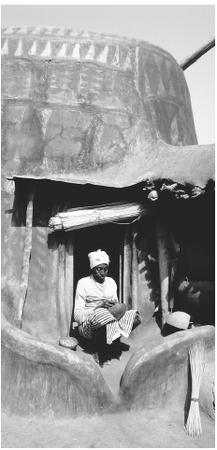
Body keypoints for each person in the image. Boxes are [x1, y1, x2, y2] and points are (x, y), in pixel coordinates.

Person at [74, 249, 141, 346]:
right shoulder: (83, 283)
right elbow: (77, 316)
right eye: (99, 269)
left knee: (135, 317)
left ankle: (111, 341)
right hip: (89, 325)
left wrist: (114, 305)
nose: (103, 273)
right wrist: (99, 308)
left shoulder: (111, 282)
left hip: (110, 318)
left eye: (105, 269)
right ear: (92, 269)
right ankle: (100, 351)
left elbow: (117, 309)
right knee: (102, 316)